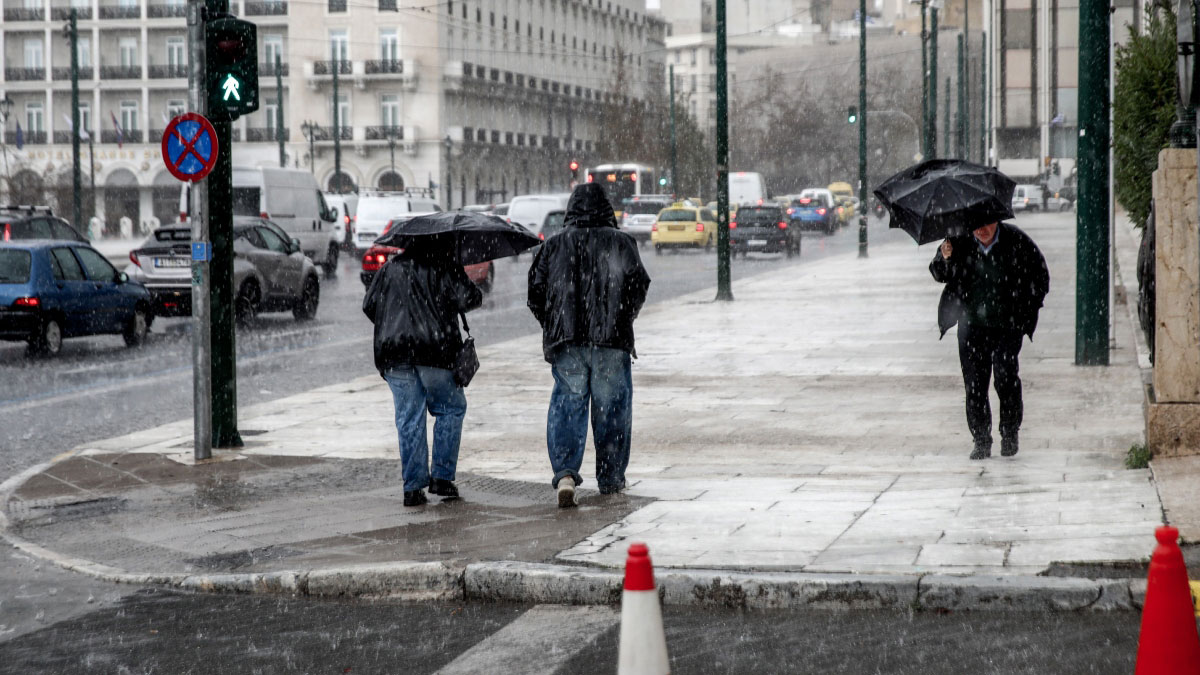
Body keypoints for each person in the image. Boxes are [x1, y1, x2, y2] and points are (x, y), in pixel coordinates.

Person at [528, 183, 651, 508]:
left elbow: (536, 292)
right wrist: (623, 316)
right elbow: (638, 285)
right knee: (612, 410)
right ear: (607, 209)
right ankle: (610, 479)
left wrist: (553, 322)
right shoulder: (622, 242)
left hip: (567, 340)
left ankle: (566, 473)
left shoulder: (554, 245)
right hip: (611, 338)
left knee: (568, 405)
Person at [363, 237, 483, 506]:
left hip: (394, 352)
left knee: (409, 417)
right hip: (435, 351)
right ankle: (441, 477)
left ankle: (413, 487)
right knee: (451, 408)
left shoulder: (389, 269)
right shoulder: (444, 266)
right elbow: (470, 298)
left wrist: (394, 323)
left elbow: (369, 305)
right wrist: (458, 273)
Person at [930, 221, 1049, 460]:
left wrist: (1025, 306)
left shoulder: (1016, 241)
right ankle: (981, 439)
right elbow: (939, 274)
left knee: (1005, 376)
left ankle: (1009, 432)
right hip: (971, 326)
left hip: (1007, 326)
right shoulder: (957, 240)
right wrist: (945, 258)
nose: (981, 230)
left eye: (987, 224)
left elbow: (1040, 275)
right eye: (976, 225)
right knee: (975, 383)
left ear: (997, 220)